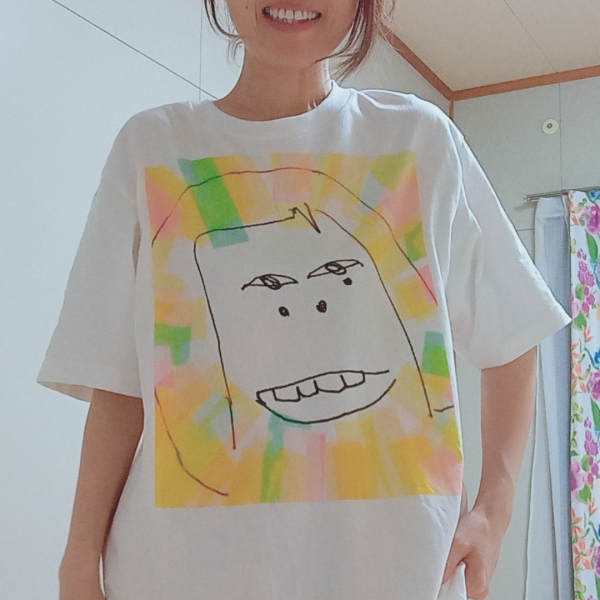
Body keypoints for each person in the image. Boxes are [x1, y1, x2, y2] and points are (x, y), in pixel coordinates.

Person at [38, 1, 570, 599]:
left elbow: (512, 330)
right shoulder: (151, 146)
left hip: (400, 573)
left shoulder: (419, 138)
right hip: (179, 574)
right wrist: (77, 561)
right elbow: (120, 385)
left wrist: (495, 510)